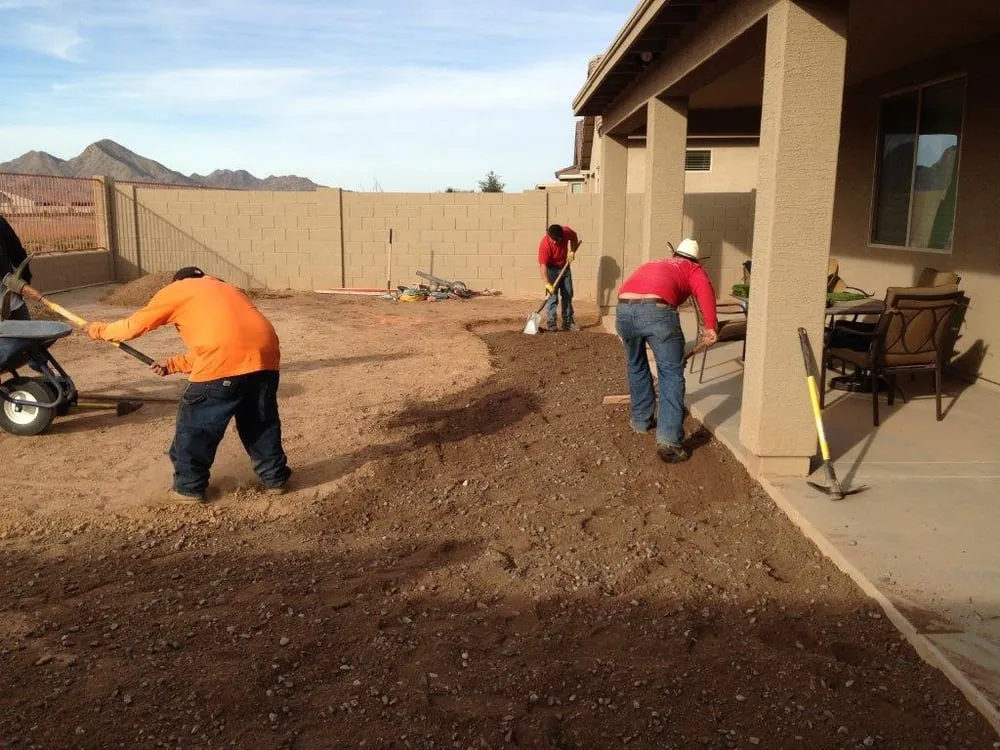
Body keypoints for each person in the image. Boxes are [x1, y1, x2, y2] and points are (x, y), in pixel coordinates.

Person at [86, 267, 292, 502]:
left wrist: (97, 330)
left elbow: (131, 327)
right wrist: (172, 364)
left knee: (196, 429)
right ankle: (275, 479)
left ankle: (189, 488)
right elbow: (227, 343)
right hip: (265, 361)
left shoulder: (177, 290)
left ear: (178, 282)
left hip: (224, 362)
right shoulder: (228, 289)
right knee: (259, 423)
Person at [615, 239, 718, 464]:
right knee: (670, 373)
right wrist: (711, 327)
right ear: (696, 259)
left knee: (636, 364)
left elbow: (631, 287)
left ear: (676, 254)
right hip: (658, 312)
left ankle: (641, 421)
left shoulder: (654, 263)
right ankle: (669, 441)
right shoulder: (693, 268)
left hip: (623, 310)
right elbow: (706, 293)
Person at [537, 223, 581, 331]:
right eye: (554, 240)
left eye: (558, 240)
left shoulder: (566, 232)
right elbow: (542, 266)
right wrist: (547, 284)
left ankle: (568, 323)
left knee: (568, 294)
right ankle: (551, 324)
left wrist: (572, 251)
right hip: (551, 269)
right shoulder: (545, 244)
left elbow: (574, 236)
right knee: (552, 297)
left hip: (565, 267)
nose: (556, 242)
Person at [0, 214, 32, 321]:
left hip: (9, 301)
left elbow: (17, 252)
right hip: (10, 302)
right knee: (26, 334)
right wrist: (25, 279)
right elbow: (17, 253)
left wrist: (23, 284)